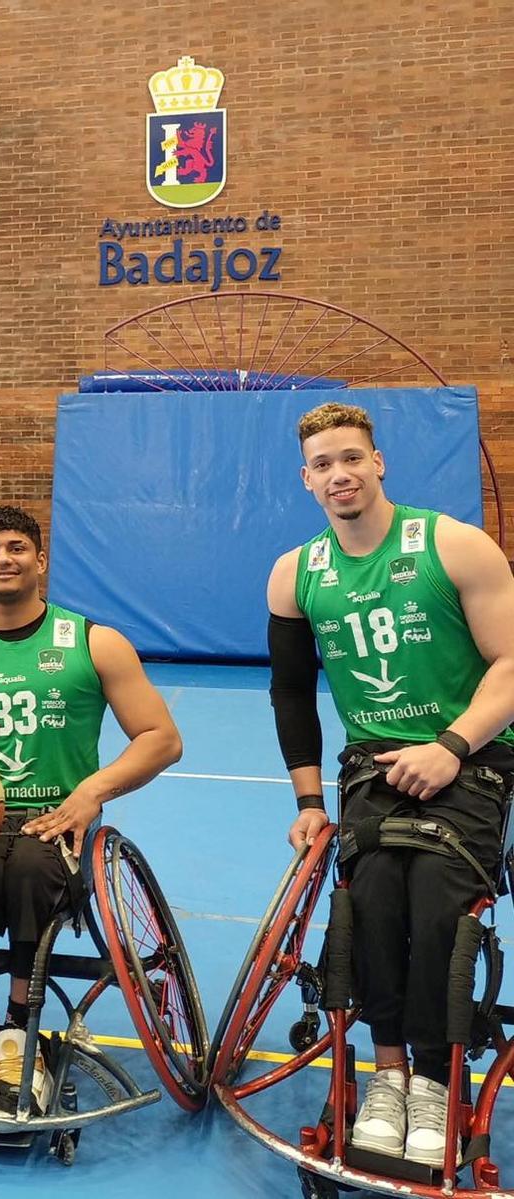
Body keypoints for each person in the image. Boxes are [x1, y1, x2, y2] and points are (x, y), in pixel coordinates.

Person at [267, 402, 514, 1166]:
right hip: (370, 761)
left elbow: (511, 665)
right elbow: (290, 693)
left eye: (351, 457)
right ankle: (390, 1073)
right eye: (322, 464)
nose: (339, 473)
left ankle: (437, 1079)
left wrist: (449, 745)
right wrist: (309, 801)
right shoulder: (295, 573)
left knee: (439, 888)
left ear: (379, 464)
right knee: (367, 892)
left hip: (470, 750)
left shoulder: (454, 544)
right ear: (306, 480)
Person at [0, 505, 182, 1120]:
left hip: (58, 820)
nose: (4, 558)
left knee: (25, 866)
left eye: (17, 547)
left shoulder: (93, 642)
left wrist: (92, 792)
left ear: (40, 561)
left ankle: (21, 1030)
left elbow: (161, 737)